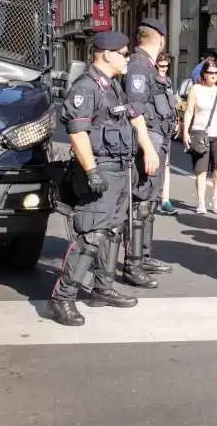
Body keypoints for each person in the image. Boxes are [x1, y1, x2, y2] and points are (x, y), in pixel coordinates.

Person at [49, 31, 159, 327]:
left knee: (111, 231)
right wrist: (91, 171)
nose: (127, 59)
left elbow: (131, 119)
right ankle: (63, 297)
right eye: (123, 54)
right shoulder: (87, 87)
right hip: (101, 169)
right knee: (92, 235)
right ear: (107, 54)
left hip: (120, 169)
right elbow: (77, 132)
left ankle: (102, 287)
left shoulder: (113, 86)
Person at [120, 17, 175, 290]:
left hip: (159, 141)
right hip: (148, 143)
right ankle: (133, 264)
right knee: (140, 204)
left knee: (150, 203)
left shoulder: (149, 66)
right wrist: (148, 148)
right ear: (161, 39)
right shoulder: (139, 66)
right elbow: (135, 111)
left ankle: (144, 256)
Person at [183, 61, 217, 214]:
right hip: (199, 133)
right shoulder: (196, 89)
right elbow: (189, 111)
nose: (213, 75)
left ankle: (215, 199)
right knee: (201, 170)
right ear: (204, 74)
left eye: (216, 73)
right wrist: (185, 131)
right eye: (210, 72)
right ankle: (200, 201)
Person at [156, 52, 178, 215]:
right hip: (154, 128)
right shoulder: (150, 80)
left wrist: (177, 120)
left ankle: (165, 199)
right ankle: (152, 198)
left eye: (166, 66)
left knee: (166, 164)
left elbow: (172, 104)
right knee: (154, 164)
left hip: (166, 127)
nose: (164, 69)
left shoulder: (168, 81)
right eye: (161, 65)